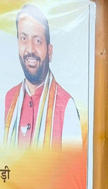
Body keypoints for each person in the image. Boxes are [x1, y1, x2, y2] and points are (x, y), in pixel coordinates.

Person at [3, 4, 82, 148]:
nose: (30, 49)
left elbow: (73, 163)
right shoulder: (7, 101)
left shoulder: (66, 107)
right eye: (23, 38)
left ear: (49, 51)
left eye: (37, 40)